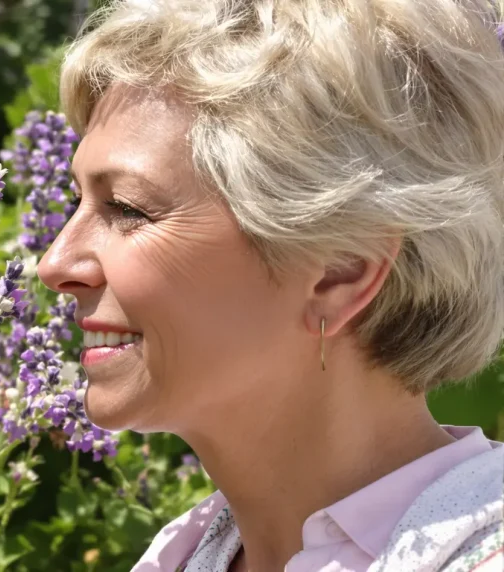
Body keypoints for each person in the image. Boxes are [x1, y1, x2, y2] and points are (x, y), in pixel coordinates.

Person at [36, 0, 504, 570]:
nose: (54, 262)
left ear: (340, 270)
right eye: (77, 200)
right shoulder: (183, 554)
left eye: (128, 208)